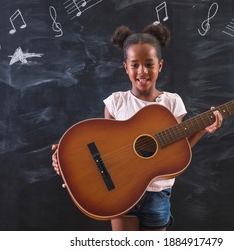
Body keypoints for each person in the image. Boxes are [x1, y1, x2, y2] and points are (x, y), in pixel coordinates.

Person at [51, 23, 223, 231]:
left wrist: (202, 129)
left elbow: (177, 151)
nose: (142, 71)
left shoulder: (172, 102)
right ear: (126, 67)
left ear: (160, 65)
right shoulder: (116, 102)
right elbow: (101, 148)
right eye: (135, 65)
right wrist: (66, 159)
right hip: (119, 193)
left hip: (158, 194)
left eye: (149, 64)